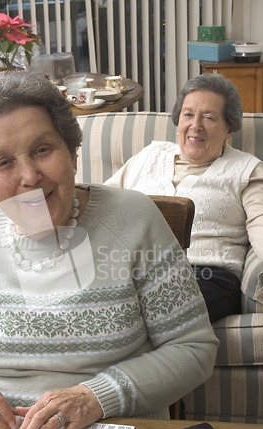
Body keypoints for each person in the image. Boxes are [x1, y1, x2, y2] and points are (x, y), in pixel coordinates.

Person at [0, 70, 218, 429]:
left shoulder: (134, 219)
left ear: (72, 152)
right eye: (3, 163)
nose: (30, 176)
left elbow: (194, 349)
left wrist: (95, 397)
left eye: (42, 150)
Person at [105, 73, 263, 324]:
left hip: (207, 275)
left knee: (138, 316)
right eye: (188, 114)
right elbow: (102, 201)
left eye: (209, 118)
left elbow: (261, 226)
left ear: (229, 130)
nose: (195, 125)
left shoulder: (247, 170)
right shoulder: (151, 155)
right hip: (134, 271)